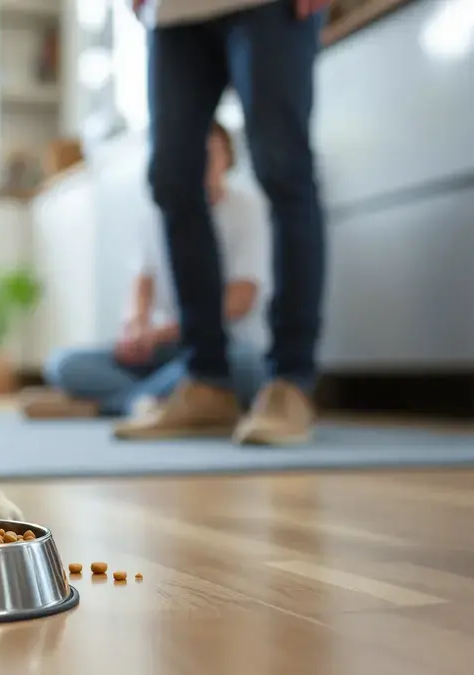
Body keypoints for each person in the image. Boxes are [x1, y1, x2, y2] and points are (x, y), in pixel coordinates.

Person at [112, 0, 330, 444]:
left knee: (283, 169)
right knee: (172, 181)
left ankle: (291, 380)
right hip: (172, 12)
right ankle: (206, 381)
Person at [25, 122, 269, 426]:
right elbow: (142, 283)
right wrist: (135, 328)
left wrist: (162, 332)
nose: (201, 161)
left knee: (245, 367)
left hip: (222, 346)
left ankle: (107, 406)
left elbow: (239, 301)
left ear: (228, 158)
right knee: (63, 364)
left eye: (211, 152)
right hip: (164, 350)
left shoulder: (246, 209)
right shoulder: (159, 213)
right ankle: (154, 401)